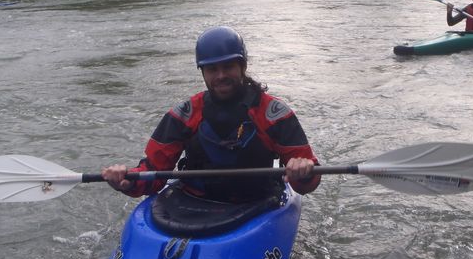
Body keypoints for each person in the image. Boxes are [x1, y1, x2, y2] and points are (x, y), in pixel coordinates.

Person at [101, 26, 321, 203]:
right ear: (203, 71)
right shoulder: (184, 115)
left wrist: (303, 171)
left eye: (228, 67)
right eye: (212, 69)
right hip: (194, 201)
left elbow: (307, 183)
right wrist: (127, 180)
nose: (221, 75)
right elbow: (153, 173)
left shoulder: (274, 114)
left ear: (242, 66)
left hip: (256, 202)